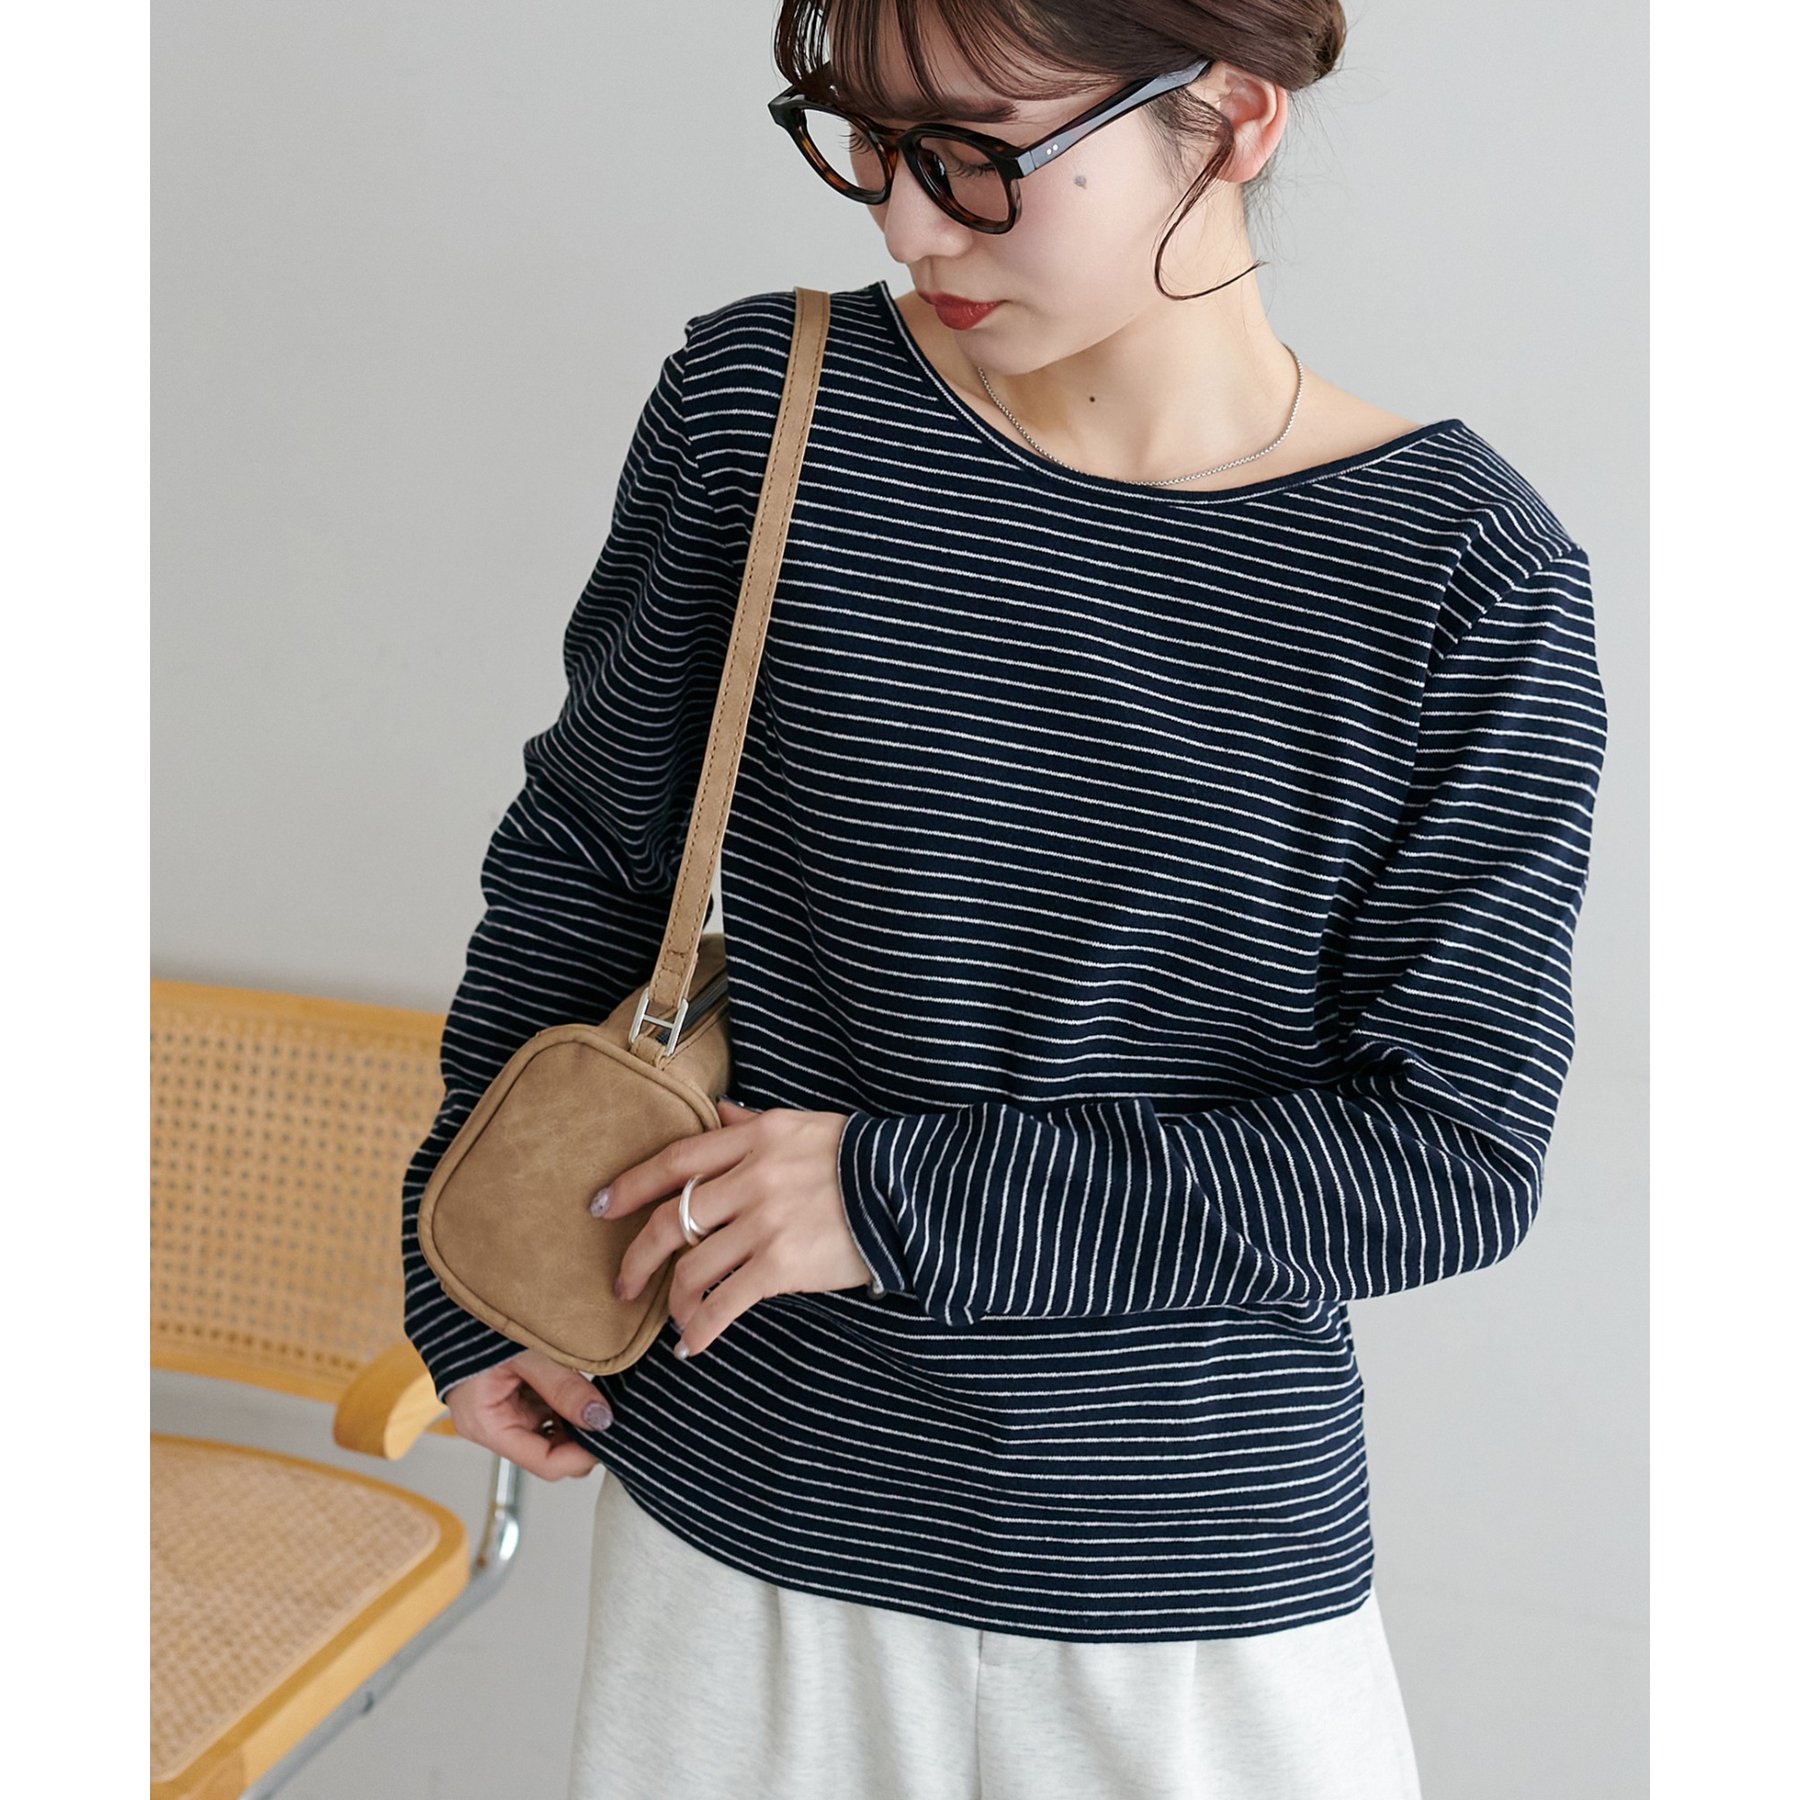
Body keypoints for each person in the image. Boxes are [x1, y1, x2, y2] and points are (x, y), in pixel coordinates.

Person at [400, 3, 1608, 1795]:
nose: (907, 221)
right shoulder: (766, 411)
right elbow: (587, 862)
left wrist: (883, 1200)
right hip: (741, 1533)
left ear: (1233, 118)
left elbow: (1451, 1155)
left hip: (1183, 1603)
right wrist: (468, 1258)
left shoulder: (1458, 577)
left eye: (976, 156)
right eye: (868, 143)